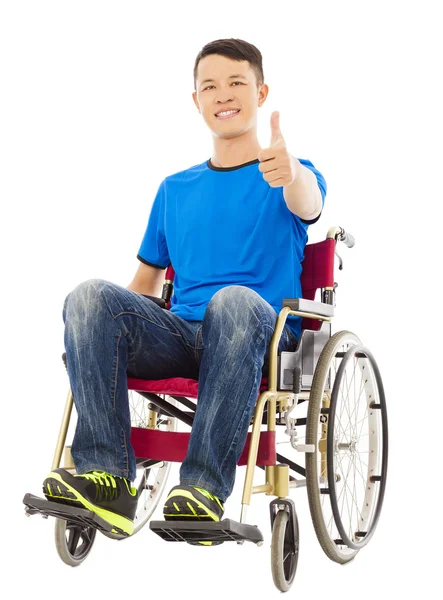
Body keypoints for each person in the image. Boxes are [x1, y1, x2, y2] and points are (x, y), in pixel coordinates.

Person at [42, 38, 327, 544]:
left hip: (257, 335)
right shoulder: (174, 189)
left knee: (232, 300)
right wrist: (91, 335)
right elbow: (143, 288)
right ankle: (107, 479)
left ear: (260, 92)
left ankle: (201, 488)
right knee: (87, 297)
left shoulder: (289, 173)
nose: (223, 94)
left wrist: (293, 171)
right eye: (210, 86)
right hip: (183, 334)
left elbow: (307, 204)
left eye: (237, 83)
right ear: (195, 101)